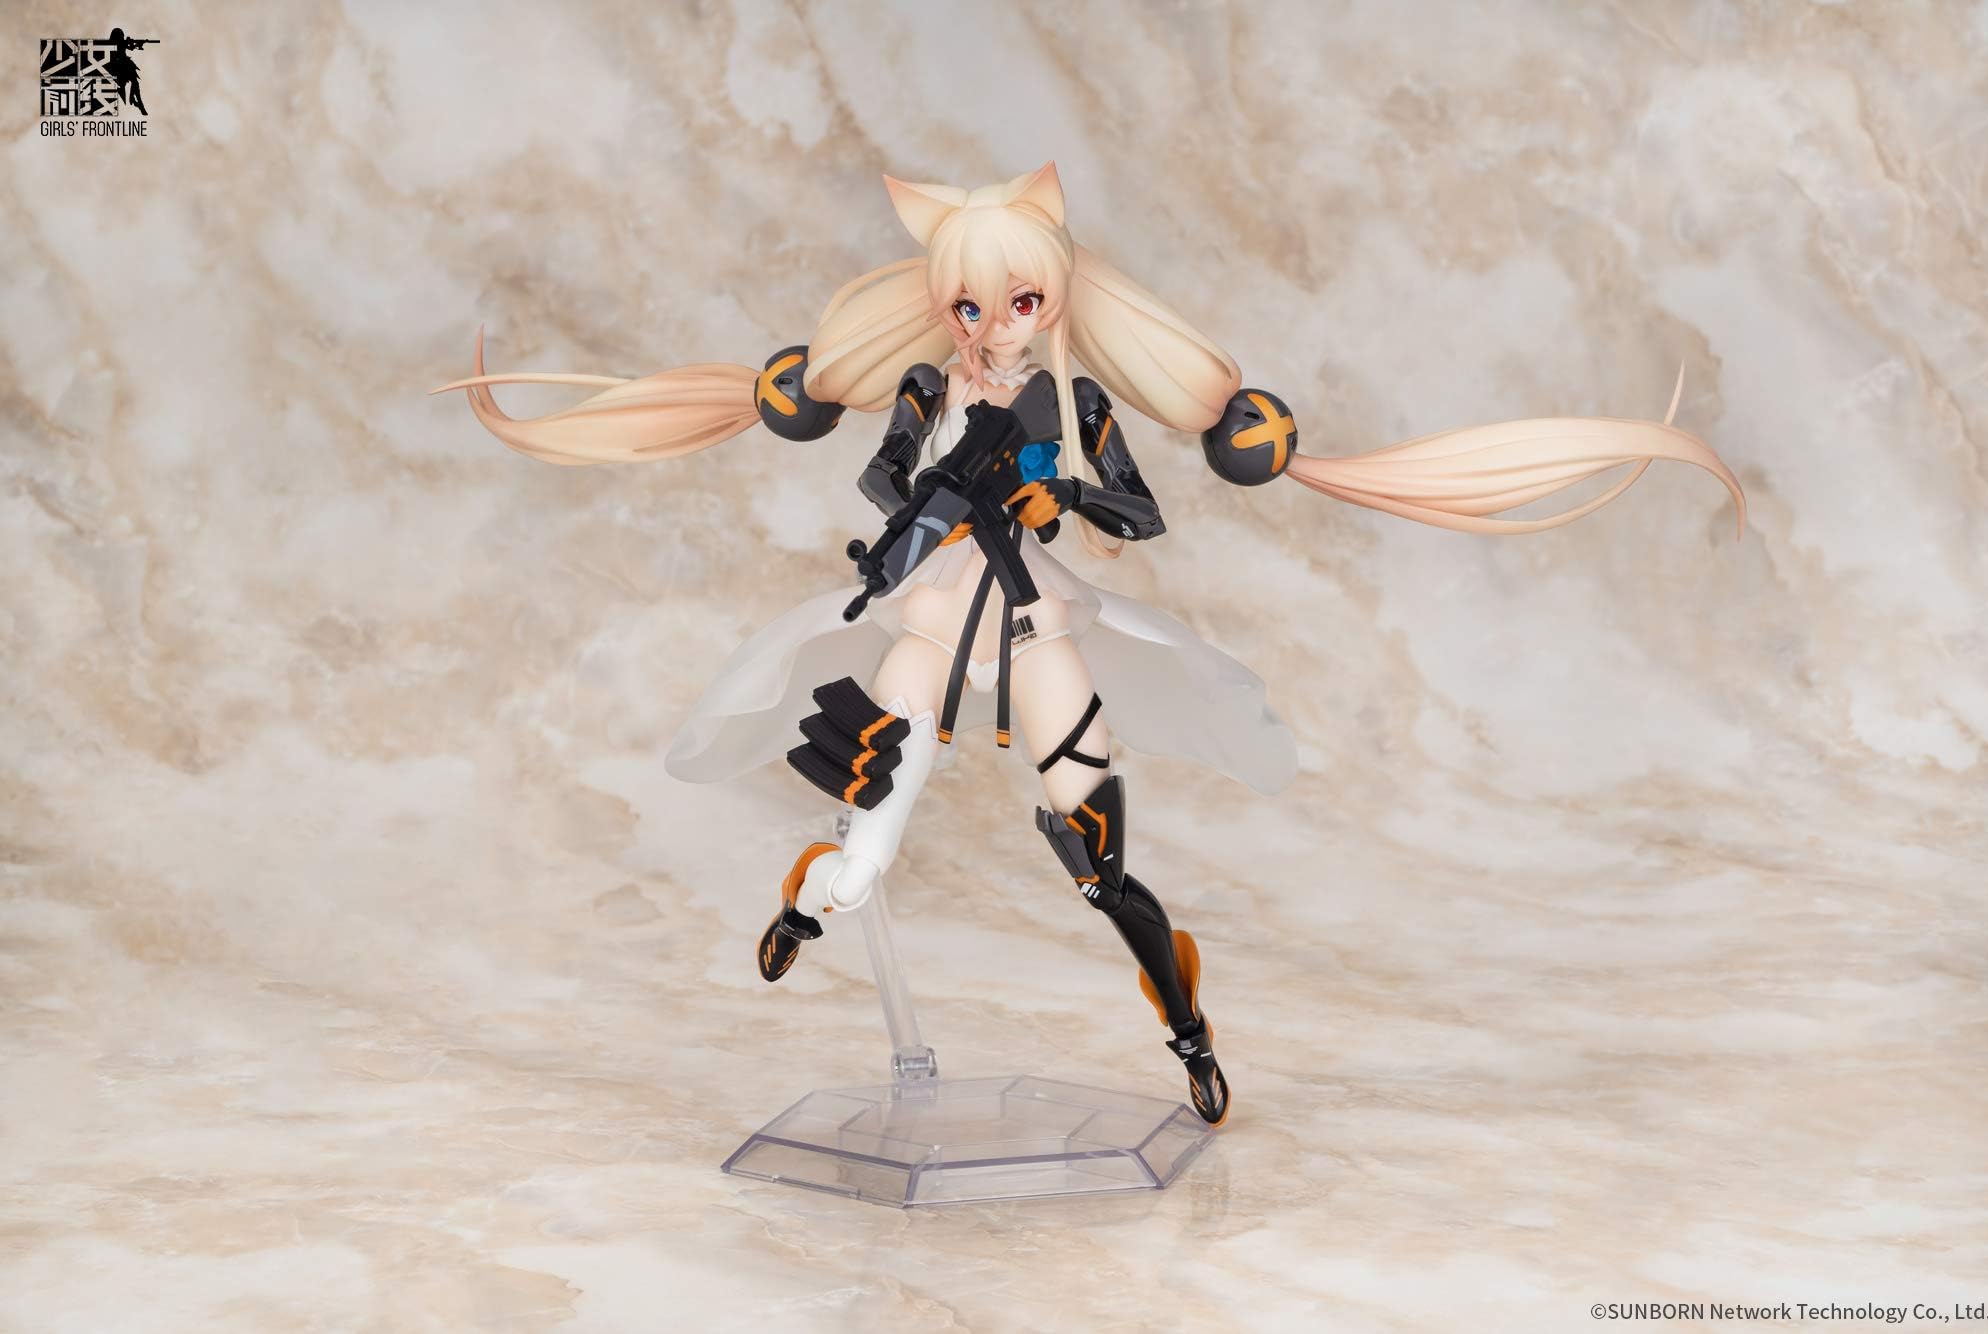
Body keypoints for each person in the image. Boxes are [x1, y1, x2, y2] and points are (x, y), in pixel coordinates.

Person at [435, 163, 1745, 1126]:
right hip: (931, 611)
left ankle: (1187, 1028)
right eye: (969, 304)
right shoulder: (924, 388)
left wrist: (1054, 489)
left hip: (1036, 619)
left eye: (1017, 300)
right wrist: (939, 493)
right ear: (941, 305)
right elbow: (885, 484)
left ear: (1051, 297)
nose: (992, 323)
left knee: (1100, 862)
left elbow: (1138, 510)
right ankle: (806, 904)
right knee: (864, 841)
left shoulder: (1074, 400)